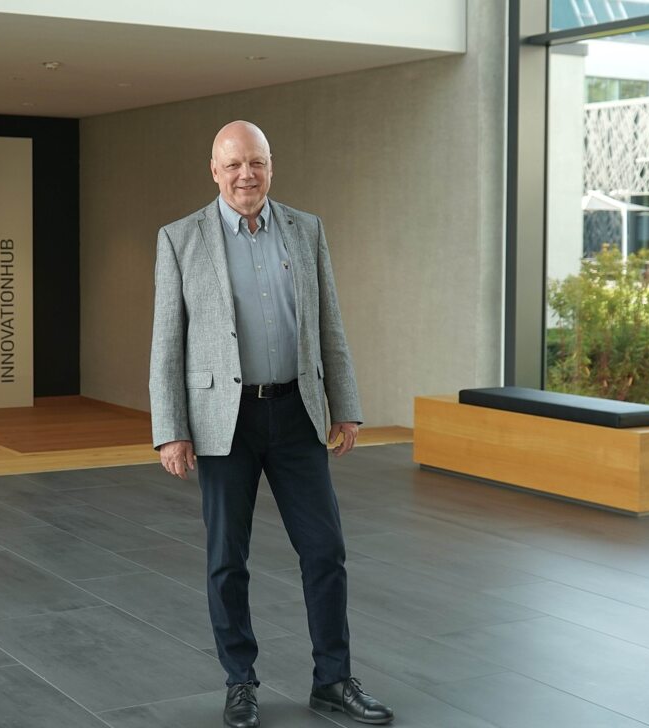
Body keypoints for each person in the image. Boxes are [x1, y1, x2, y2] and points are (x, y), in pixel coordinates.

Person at [149, 120, 394, 728]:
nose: (246, 175)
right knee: (227, 559)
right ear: (214, 171)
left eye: (255, 162)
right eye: (233, 165)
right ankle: (241, 683)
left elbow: (329, 321)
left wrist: (345, 403)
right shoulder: (180, 239)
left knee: (325, 550)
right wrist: (170, 428)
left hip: (296, 412)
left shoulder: (306, 230)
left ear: (270, 165)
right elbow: (166, 342)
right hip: (222, 421)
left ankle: (332, 679)